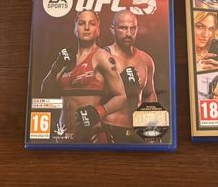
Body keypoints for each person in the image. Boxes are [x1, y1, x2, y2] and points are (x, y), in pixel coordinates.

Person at [39, 10, 127, 142]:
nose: (86, 27)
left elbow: (122, 97)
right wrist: (55, 67)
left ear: (98, 30)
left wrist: (98, 112)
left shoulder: (102, 57)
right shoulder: (66, 58)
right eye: (81, 23)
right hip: (64, 136)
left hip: (91, 136)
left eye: (92, 24)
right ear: (75, 28)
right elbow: (45, 91)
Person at [102, 10, 158, 142]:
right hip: (108, 129)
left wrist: (152, 129)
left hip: (136, 132)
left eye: (132, 28)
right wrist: (119, 85)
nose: (128, 33)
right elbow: (91, 98)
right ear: (112, 29)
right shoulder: (101, 57)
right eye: (123, 28)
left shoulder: (146, 60)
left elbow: (149, 94)